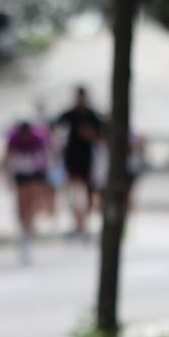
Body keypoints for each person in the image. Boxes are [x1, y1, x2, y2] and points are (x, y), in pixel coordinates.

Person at [55, 86, 104, 239]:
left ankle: (84, 223)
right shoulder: (69, 115)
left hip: (88, 160)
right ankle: (76, 222)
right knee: (73, 191)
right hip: (72, 159)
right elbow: (55, 129)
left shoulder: (93, 116)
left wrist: (90, 135)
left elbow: (101, 137)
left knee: (88, 192)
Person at [3, 117, 51, 262]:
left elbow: (44, 158)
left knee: (32, 202)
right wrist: (7, 176)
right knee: (22, 203)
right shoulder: (14, 139)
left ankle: (29, 228)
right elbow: (8, 157)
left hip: (35, 173)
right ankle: (24, 228)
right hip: (20, 174)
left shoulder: (38, 139)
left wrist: (44, 179)